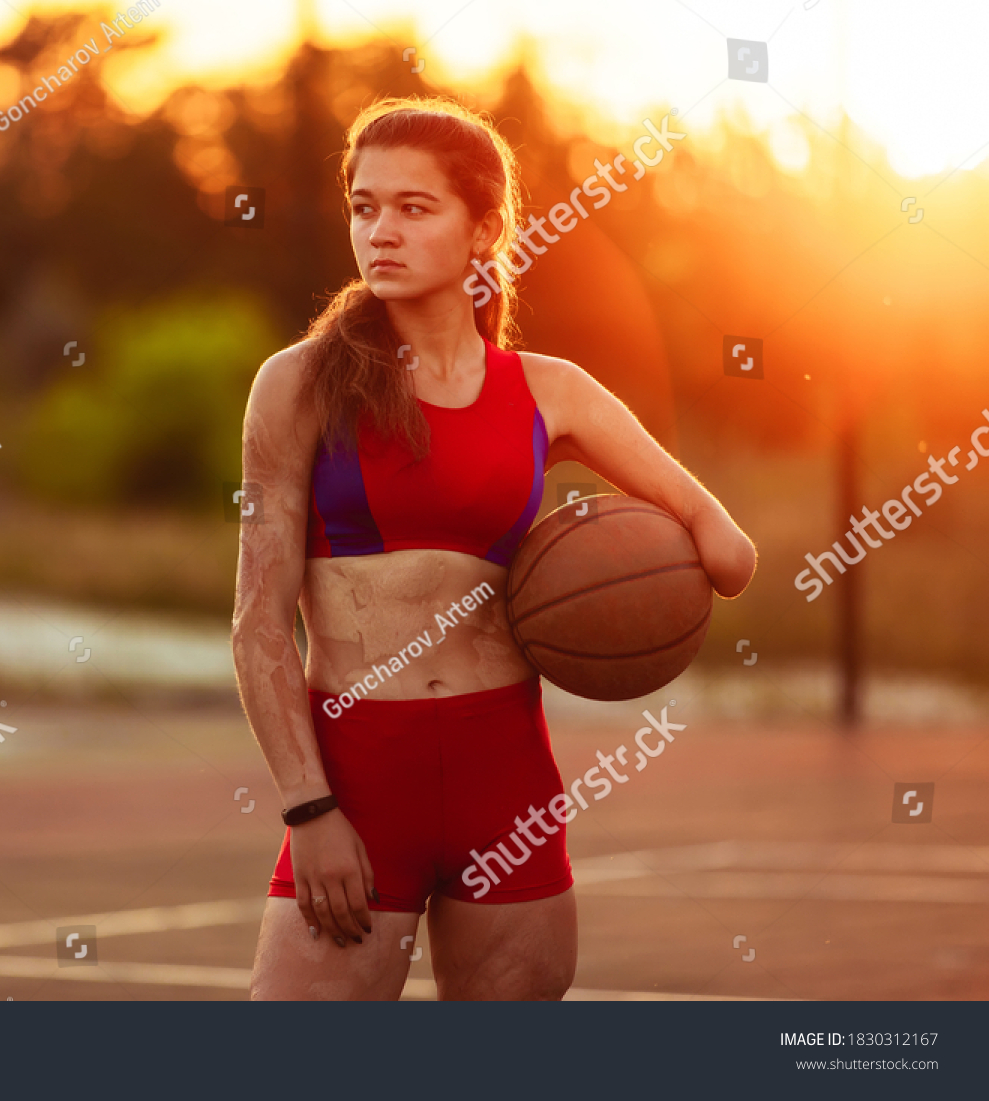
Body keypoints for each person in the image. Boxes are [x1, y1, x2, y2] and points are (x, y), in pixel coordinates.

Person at [232, 97, 756, 1001]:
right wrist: (307, 806)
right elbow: (257, 625)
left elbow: (730, 554)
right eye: (364, 207)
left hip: (506, 782)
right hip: (357, 780)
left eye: (413, 207)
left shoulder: (553, 393)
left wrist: (613, 558)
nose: (380, 232)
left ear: (484, 229)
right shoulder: (299, 383)